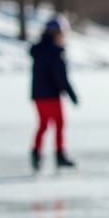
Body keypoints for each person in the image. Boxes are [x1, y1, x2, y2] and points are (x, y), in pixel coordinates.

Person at [29, 16, 78, 172]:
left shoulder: (39, 50)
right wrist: (71, 93)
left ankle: (36, 154)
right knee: (59, 124)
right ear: (56, 33)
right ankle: (60, 155)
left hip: (38, 95)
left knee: (43, 125)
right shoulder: (55, 52)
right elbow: (60, 77)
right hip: (51, 96)